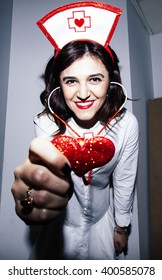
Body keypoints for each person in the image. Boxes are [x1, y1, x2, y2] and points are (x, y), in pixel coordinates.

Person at [11, 2, 139, 260]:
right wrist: (29, 203)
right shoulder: (46, 124)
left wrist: (121, 226)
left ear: (111, 81)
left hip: (103, 224)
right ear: (58, 84)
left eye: (95, 79)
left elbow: (124, 180)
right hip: (58, 229)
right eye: (71, 81)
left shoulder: (127, 125)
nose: (82, 94)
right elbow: (46, 183)